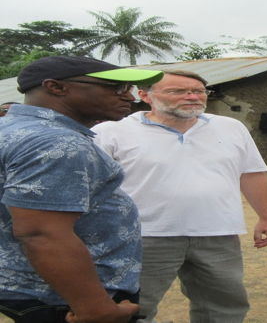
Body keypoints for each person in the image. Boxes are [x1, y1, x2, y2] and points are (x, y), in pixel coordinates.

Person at [92, 70, 267, 323]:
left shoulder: (231, 127)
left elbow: (252, 174)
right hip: (143, 236)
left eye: (199, 91)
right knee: (135, 306)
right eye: (177, 91)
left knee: (224, 307)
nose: (192, 97)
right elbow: (93, 186)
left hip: (218, 234)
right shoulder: (111, 132)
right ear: (145, 95)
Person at [0, 56, 164, 323]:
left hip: (29, 284)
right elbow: (42, 233)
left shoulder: (12, 129)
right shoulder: (56, 142)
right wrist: (95, 309)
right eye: (116, 88)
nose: (130, 97)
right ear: (56, 87)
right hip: (65, 298)